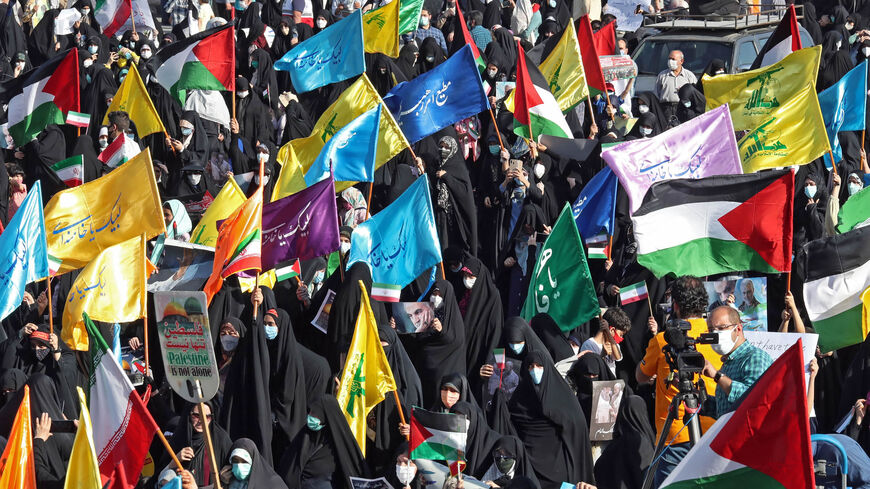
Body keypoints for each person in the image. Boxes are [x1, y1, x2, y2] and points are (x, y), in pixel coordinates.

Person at [636, 276, 722, 488]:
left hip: (675, 437)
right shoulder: (718, 336)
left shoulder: (664, 340)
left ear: (675, 305)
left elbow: (640, 376)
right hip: (715, 431)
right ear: (703, 302)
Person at [701, 306, 773, 418]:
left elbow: (754, 400)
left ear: (738, 329)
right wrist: (699, 399)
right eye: (711, 330)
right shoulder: (729, 362)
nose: (715, 334)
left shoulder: (755, 357)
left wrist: (717, 376)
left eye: (721, 328)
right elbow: (725, 409)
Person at [581, 308, 631, 376]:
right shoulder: (588, 345)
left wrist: (607, 331)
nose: (621, 338)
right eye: (621, 335)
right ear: (612, 330)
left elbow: (618, 357)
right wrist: (602, 354)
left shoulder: (614, 345)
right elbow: (592, 369)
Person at [654, 50, 697, 118]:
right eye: (669, 59)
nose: (670, 61)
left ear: (681, 61)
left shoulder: (689, 76)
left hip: (684, 109)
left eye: (673, 59)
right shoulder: (662, 75)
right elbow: (656, 95)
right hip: (666, 110)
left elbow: (695, 95)